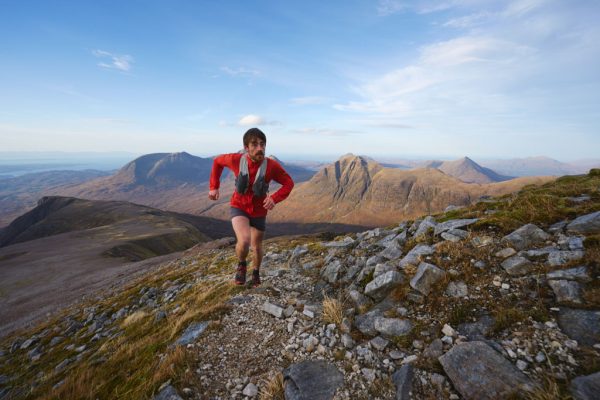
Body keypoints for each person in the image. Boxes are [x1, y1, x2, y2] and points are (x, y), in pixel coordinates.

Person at [208, 128, 294, 287]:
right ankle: (241, 265)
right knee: (245, 240)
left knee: (257, 245)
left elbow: (289, 183)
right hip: (239, 206)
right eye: (254, 144)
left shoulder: (271, 166)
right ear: (246, 148)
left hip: (259, 211)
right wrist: (214, 186)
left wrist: (274, 198)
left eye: (262, 144)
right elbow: (217, 162)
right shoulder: (235, 159)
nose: (260, 148)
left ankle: (255, 272)